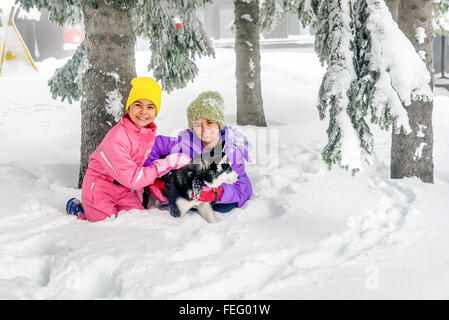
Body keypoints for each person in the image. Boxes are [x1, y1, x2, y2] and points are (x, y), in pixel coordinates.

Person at [66, 77, 191, 222]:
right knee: (105, 223)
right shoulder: (117, 137)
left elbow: (141, 161)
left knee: (137, 219)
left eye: (150, 107)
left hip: (123, 189)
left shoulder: (147, 132)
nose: (144, 112)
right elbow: (132, 178)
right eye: (138, 104)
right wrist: (167, 163)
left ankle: (92, 208)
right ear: (129, 106)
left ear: (156, 111)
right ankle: (80, 210)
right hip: (100, 187)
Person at [143, 91, 252, 213]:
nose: (205, 129)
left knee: (222, 208)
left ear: (219, 123)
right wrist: (152, 172)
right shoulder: (185, 142)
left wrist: (217, 193)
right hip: (193, 186)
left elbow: (240, 190)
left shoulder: (232, 150)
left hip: (220, 195)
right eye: (198, 124)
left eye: (210, 122)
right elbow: (155, 144)